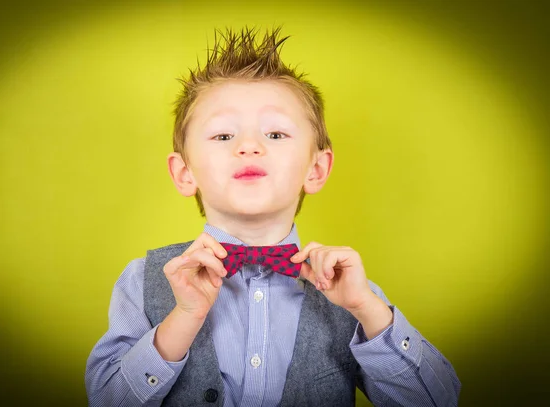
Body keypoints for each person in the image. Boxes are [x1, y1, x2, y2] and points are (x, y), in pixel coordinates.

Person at [85, 26, 461, 407]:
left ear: (316, 169)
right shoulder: (141, 280)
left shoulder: (355, 294)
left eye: (276, 134)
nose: (249, 146)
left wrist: (367, 309)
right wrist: (182, 317)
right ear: (185, 173)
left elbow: (437, 401)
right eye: (223, 136)